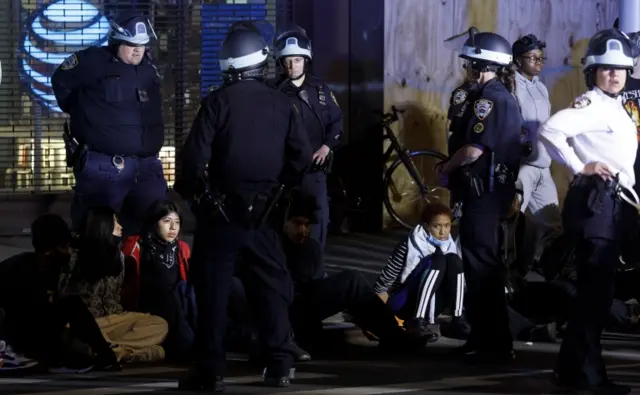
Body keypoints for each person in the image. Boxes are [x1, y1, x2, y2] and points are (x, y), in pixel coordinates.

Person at [173, 21, 312, 391]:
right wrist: (282, 192)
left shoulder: (217, 102)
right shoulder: (283, 104)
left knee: (213, 292)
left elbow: (193, 160)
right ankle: (280, 364)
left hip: (221, 214)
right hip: (266, 213)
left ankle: (210, 370)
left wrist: (190, 194)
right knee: (270, 289)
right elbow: (301, 159)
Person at [539, 28, 637, 395]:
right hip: (597, 204)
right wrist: (581, 166)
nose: (614, 74)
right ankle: (591, 377)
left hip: (610, 206)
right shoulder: (592, 104)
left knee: (592, 294)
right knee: (595, 297)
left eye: (620, 69)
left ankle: (568, 371)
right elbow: (550, 131)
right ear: (593, 71)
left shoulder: (615, 105)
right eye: (606, 69)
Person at [438, 27, 524, 361]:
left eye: (471, 62)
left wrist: (446, 168)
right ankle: (483, 337)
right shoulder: (490, 95)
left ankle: (496, 342)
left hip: (482, 195)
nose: (467, 68)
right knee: (477, 266)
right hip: (479, 193)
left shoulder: (492, 99)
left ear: (481, 64)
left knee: (483, 267)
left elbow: (474, 150)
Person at [51, 11, 167, 233]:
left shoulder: (148, 67)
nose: (137, 49)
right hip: (106, 166)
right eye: (131, 44)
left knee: (152, 234)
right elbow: (61, 82)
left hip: (147, 167)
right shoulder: (92, 61)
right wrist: (82, 113)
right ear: (116, 40)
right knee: (97, 234)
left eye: (142, 45)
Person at [0, 214, 119, 372]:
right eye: (64, 246)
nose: (69, 252)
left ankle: (105, 357)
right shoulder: (20, 270)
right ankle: (11, 356)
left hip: (35, 333)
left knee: (72, 304)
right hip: (16, 336)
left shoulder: (51, 267)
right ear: (50, 250)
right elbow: (29, 315)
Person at [59, 206, 169, 364]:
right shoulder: (74, 255)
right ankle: (128, 353)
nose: (120, 226)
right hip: (89, 321)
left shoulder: (120, 257)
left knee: (159, 324)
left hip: (116, 318)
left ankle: (113, 351)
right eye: (115, 222)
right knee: (71, 334)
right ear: (103, 225)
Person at [267, 25, 343, 249]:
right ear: (281, 63)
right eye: (288, 61)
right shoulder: (272, 91)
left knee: (318, 217)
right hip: (284, 168)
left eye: (297, 60)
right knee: (281, 217)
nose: (292, 66)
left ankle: (314, 263)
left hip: (313, 169)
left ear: (306, 60)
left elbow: (336, 122)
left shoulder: (320, 89)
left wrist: (327, 147)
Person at [374, 203, 469, 340]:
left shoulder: (450, 246)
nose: (442, 232)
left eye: (447, 226)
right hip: (406, 303)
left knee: (454, 259)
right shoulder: (409, 244)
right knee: (438, 260)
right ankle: (416, 321)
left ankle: (458, 319)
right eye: (437, 226)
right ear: (426, 226)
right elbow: (382, 284)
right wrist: (379, 319)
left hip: (434, 304)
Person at [121, 200, 196, 362]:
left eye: (177, 222)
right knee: (165, 292)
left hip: (177, 300)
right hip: (148, 301)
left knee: (185, 289)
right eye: (167, 221)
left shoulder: (181, 247)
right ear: (155, 222)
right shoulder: (136, 244)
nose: (173, 228)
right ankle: (187, 347)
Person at [511, 34, 562, 268]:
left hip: (543, 166)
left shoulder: (541, 87)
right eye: (533, 57)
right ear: (518, 60)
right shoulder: (510, 84)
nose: (539, 62)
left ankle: (548, 269)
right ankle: (507, 271)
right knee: (511, 221)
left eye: (541, 58)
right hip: (522, 167)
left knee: (554, 224)